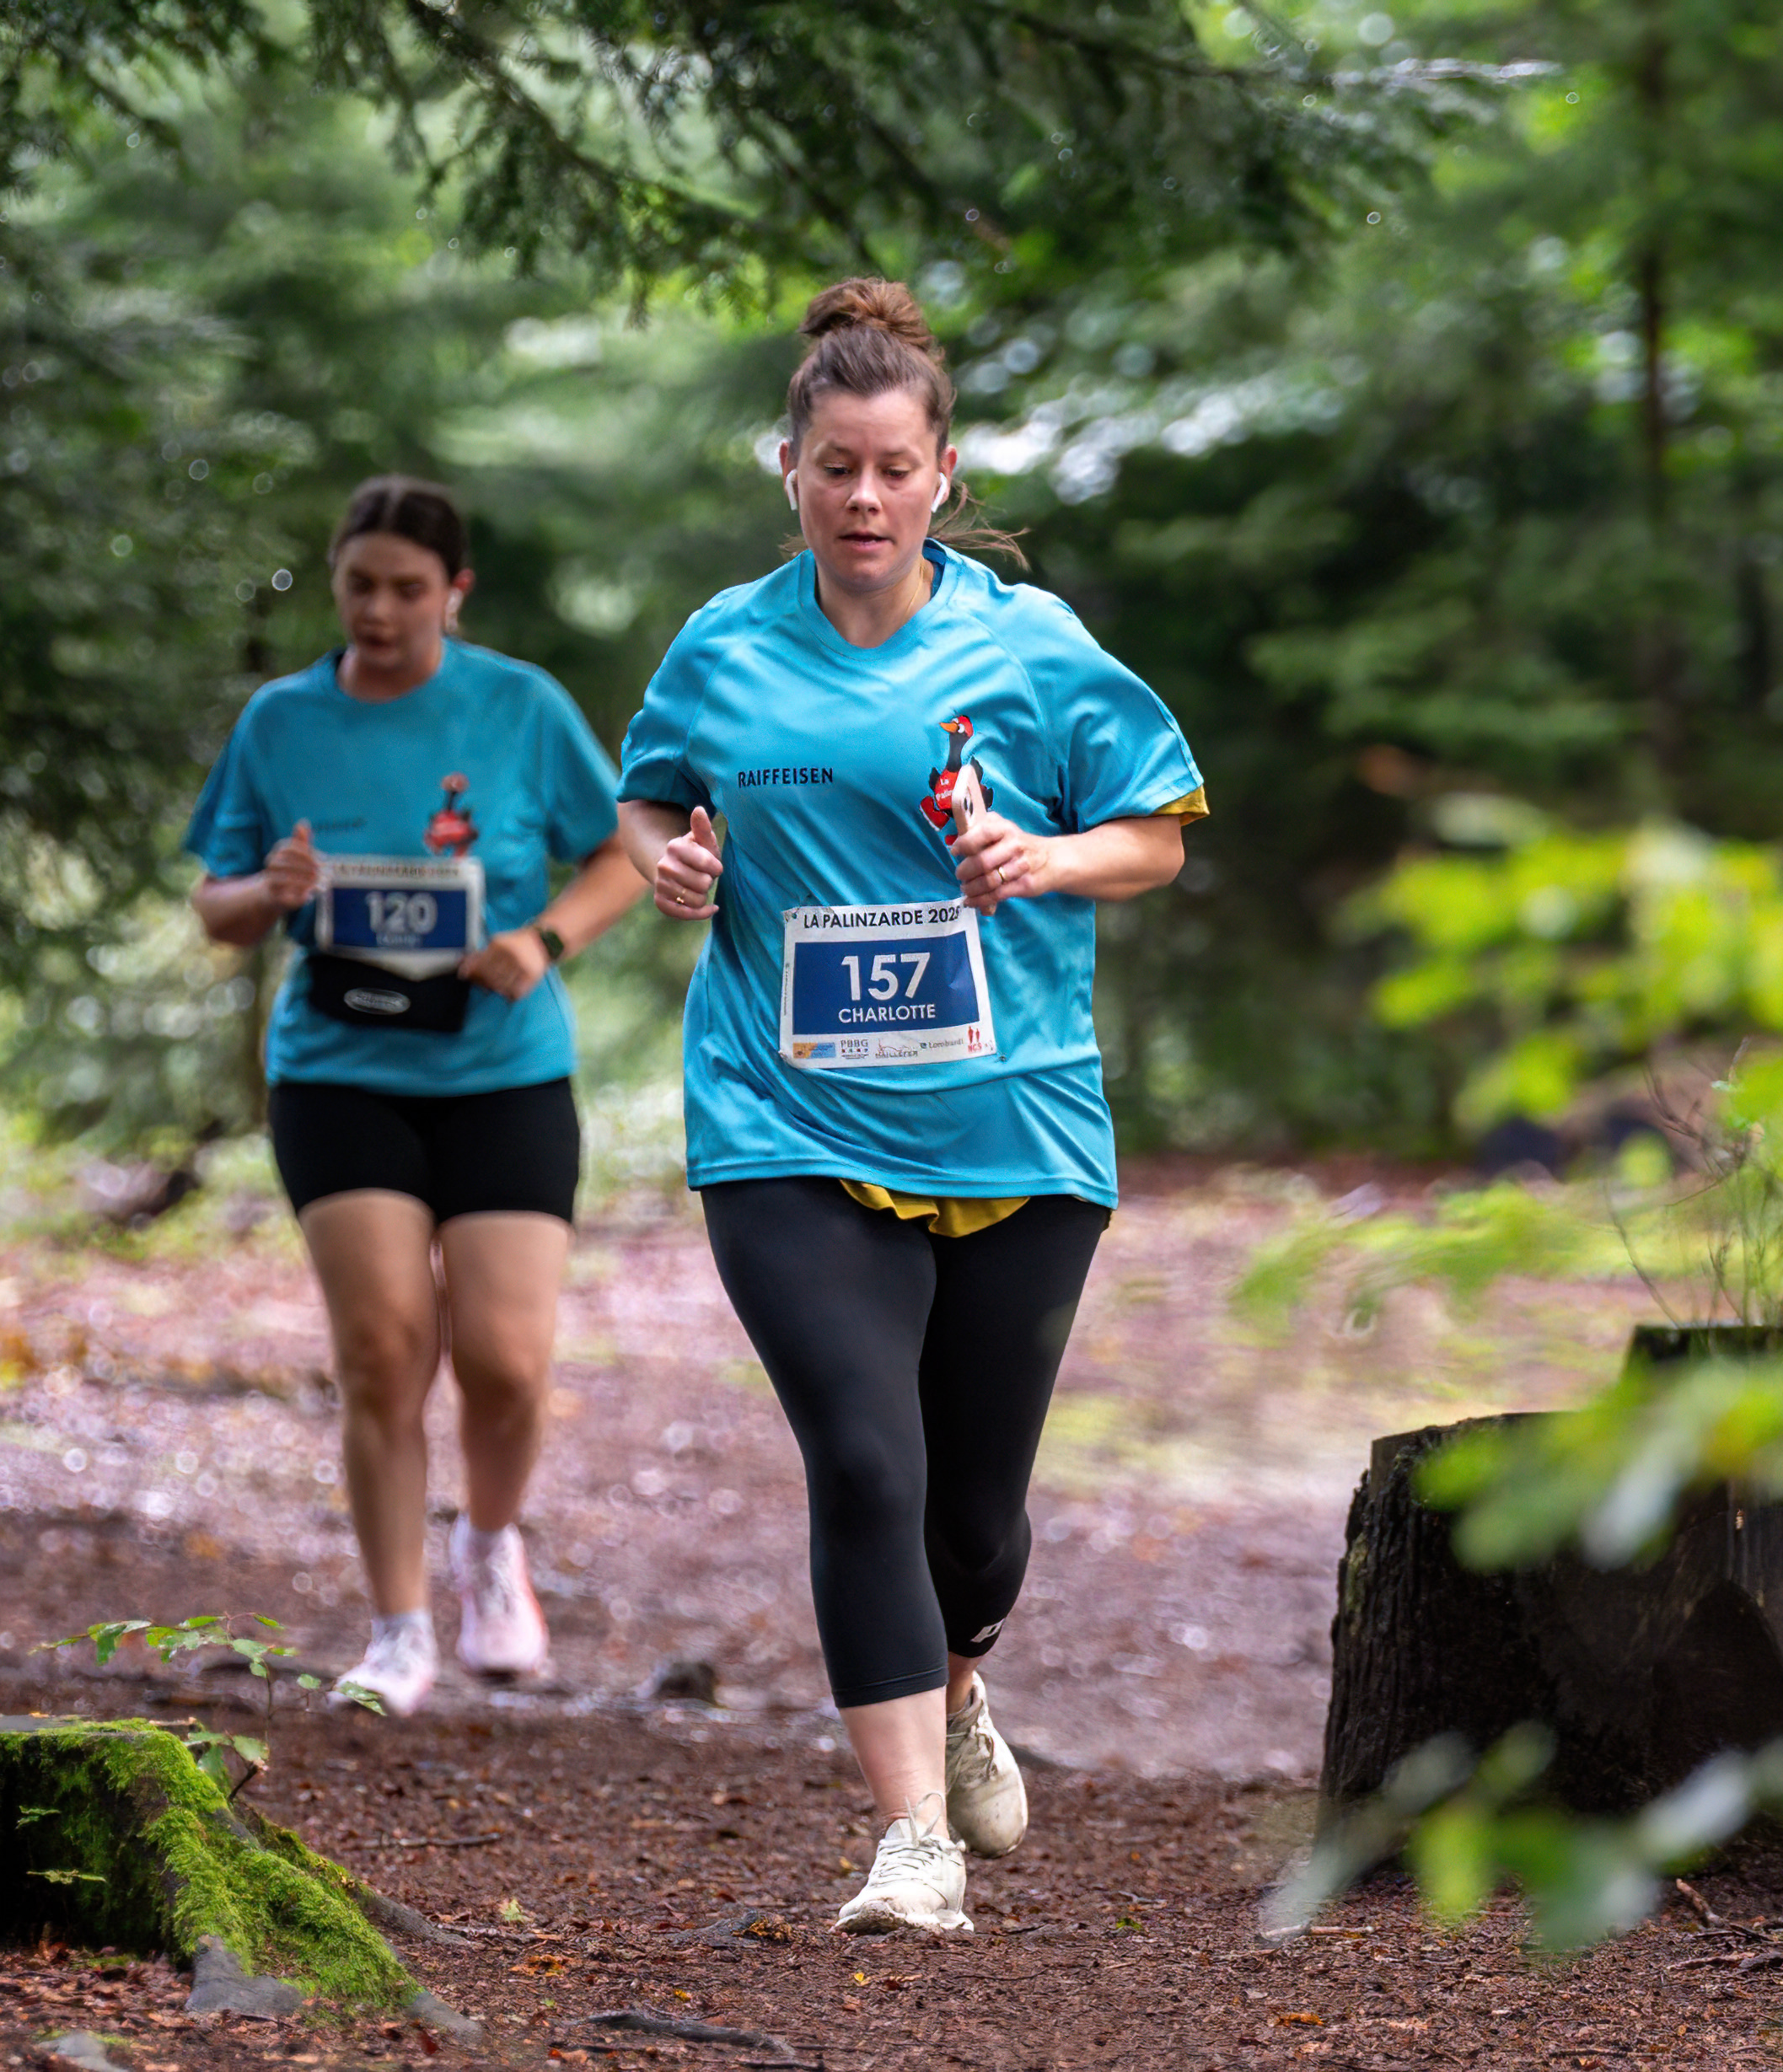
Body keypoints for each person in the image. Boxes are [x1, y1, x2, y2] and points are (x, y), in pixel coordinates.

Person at [617, 282, 1206, 1934]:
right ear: (789, 469)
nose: (864, 498)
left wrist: (1046, 855)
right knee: (867, 1461)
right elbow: (652, 793)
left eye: (894, 468)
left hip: (1014, 1120)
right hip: (784, 1115)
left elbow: (1156, 834)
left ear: (943, 471)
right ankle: (911, 1841)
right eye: (835, 468)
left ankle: (959, 1687)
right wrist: (670, 860)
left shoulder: (1031, 644)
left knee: (975, 1521)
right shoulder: (724, 645)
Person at [189, 475, 647, 1715]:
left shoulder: (518, 707)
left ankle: (490, 1546)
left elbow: (623, 853)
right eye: (359, 586)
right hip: (339, 1074)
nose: (380, 611)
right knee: (384, 1349)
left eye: (407, 589)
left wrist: (542, 940)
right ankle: (396, 1631)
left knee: (505, 1361)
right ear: (334, 583)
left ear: (455, 592)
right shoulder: (282, 720)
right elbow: (217, 905)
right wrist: (270, 890)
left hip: (503, 1071)